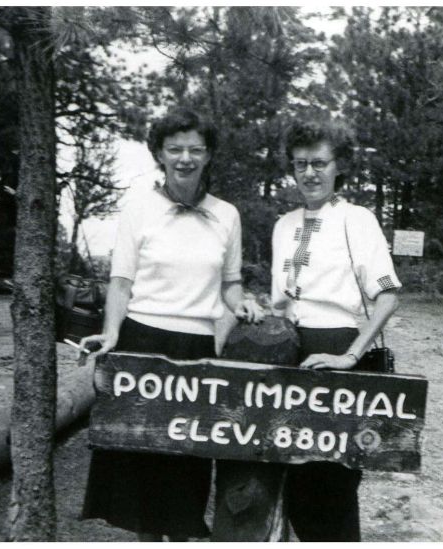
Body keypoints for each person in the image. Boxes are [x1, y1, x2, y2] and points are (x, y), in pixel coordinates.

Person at [79, 107, 263, 542]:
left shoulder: (227, 215)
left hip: (196, 351)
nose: (185, 158)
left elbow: (230, 285)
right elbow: (121, 281)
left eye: (195, 150)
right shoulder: (138, 208)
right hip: (141, 342)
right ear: (159, 154)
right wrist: (111, 333)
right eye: (175, 149)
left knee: (185, 465)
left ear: (208, 155)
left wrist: (243, 304)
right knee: (140, 467)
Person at [270, 116, 401, 541]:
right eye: (300, 164)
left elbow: (388, 295)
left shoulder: (356, 219)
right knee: (289, 479)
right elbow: (280, 302)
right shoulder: (283, 225)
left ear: (338, 165)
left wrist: (350, 356)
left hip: (336, 351)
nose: (309, 173)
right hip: (288, 354)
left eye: (319, 163)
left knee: (333, 484)